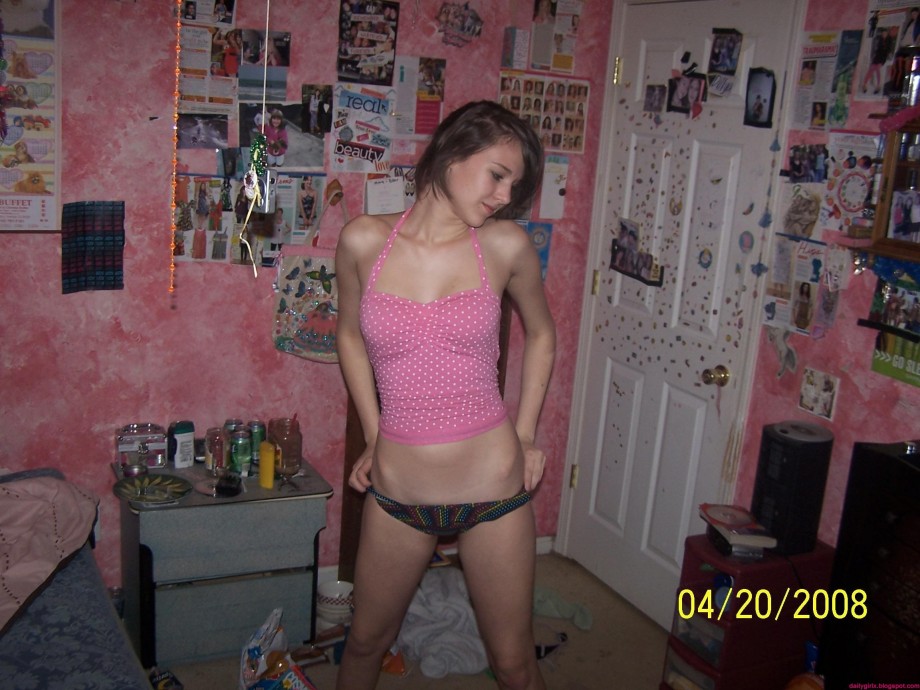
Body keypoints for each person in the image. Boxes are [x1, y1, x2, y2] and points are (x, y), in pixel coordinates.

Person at [335, 100, 556, 690]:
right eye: (498, 175)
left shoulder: (504, 246)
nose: (504, 197)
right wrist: (374, 434)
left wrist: (526, 434)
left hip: (494, 490)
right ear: (453, 152)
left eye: (514, 186)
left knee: (513, 662)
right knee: (364, 643)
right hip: (399, 492)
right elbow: (349, 336)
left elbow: (542, 333)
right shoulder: (363, 240)